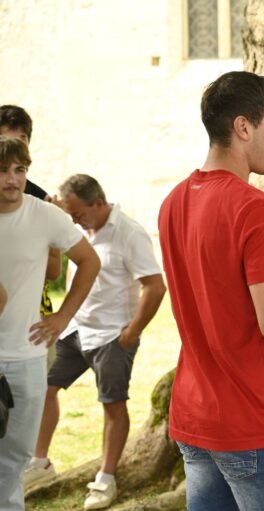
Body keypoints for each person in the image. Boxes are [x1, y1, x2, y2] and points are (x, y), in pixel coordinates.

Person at [158, 71, 264, 511]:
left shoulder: (173, 201)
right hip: (254, 421)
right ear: (243, 127)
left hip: (196, 415)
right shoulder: (258, 209)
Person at [23, 174, 166, 509]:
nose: (73, 221)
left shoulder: (129, 233)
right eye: (69, 215)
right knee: (45, 387)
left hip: (112, 336)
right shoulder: (84, 227)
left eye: (78, 214)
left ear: (98, 203)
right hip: (76, 330)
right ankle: (40, 462)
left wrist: (131, 332)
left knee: (112, 404)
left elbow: (155, 287)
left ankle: (106, 478)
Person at [0, 136, 100, 511]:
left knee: (16, 458)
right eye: (3, 171)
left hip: (27, 355)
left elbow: (89, 262)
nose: (12, 179)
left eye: (19, 170)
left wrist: (63, 317)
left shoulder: (45, 215)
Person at [0, 105, 61, 320]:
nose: (14, 146)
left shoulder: (42, 202)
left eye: (22, 139)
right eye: (6, 139)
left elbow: (53, 272)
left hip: (32, 317)